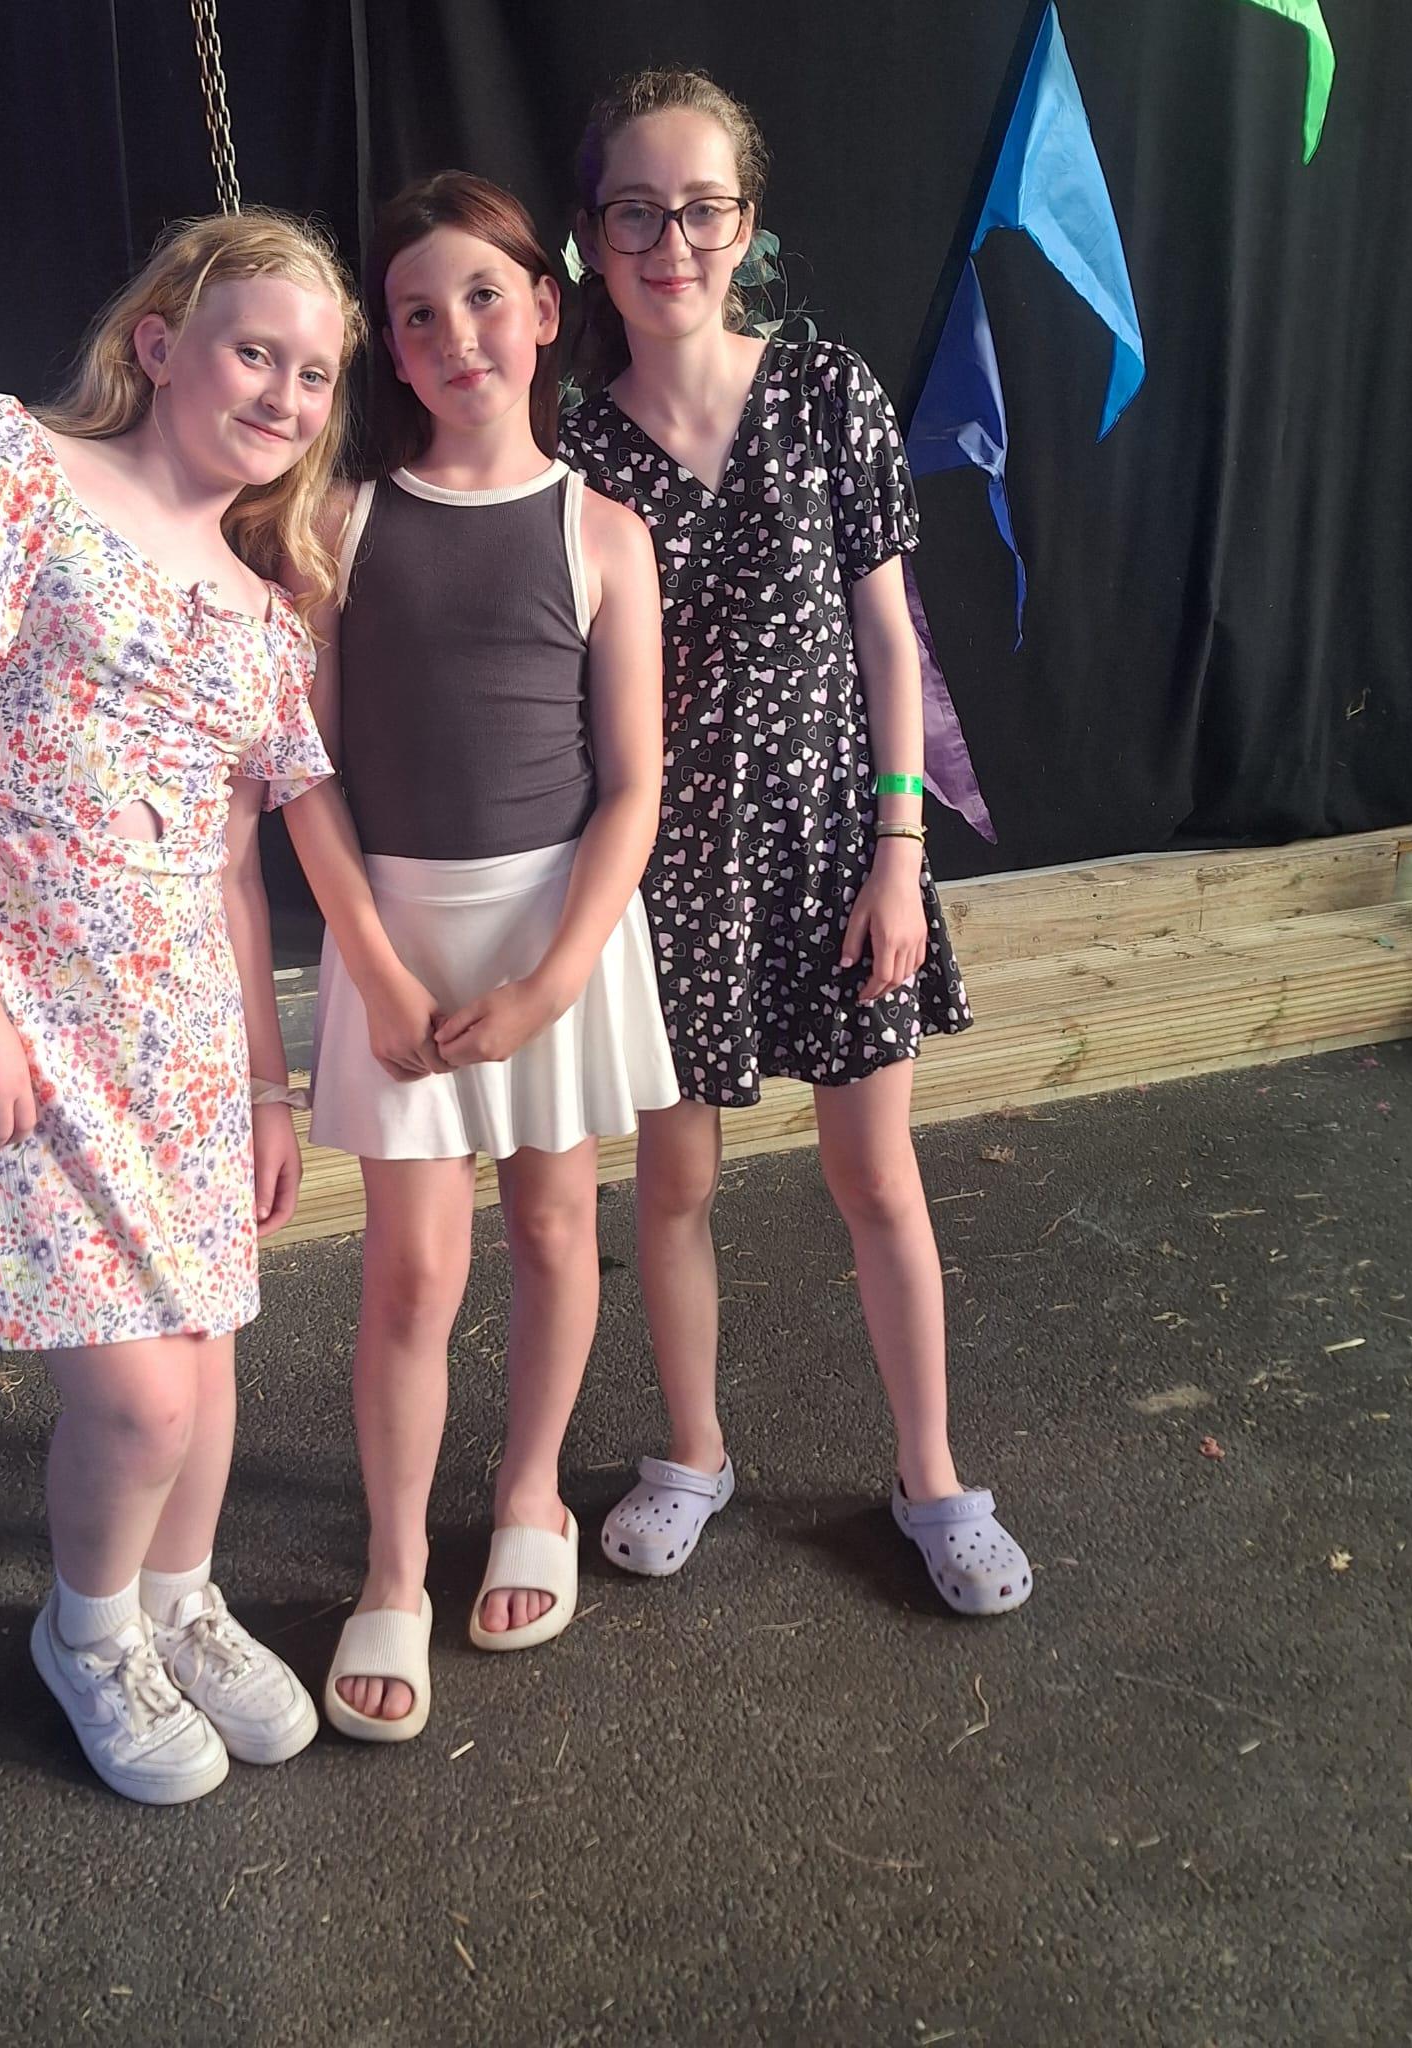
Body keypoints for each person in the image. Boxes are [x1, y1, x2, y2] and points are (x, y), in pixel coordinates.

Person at [0, 211, 362, 1803]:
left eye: (315, 374)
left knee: (205, 1357)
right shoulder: (10, 468)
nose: (283, 394)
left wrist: (264, 1087)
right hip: (17, 1009)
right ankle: (87, 1633)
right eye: (254, 350)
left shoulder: (263, 610)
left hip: (177, 1038)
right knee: (136, 1397)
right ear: (160, 341)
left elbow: (231, 869)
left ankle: (175, 1602)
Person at [557, 71, 1031, 1615]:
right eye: (637, 212)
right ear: (594, 237)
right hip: (670, 870)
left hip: (840, 850)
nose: (670, 243)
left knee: (876, 1176)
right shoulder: (574, 447)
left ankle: (934, 1478)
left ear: (746, 224)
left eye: (701, 210)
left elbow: (892, 638)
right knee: (673, 1184)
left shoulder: (829, 392)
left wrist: (901, 850)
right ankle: (692, 1453)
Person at [281, 172, 672, 1741]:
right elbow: (301, 771)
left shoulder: (603, 531)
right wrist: (374, 968)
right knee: (412, 1269)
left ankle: (530, 1494)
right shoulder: (340, 525)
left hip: (552, 934)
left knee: (557, 1226)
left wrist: (556, 980)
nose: (457, 336)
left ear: (546, 311)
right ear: (389, 347)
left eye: (485, 298)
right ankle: (391, 1567)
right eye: (420, 315)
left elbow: (632, 785)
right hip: (396, 934)